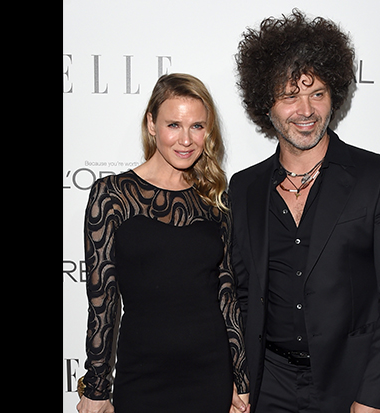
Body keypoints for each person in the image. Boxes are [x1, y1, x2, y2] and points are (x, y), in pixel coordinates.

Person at [229, 9, 380, 413]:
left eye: (317, 93)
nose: (306, 110)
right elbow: (242, 296)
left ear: (334, 94)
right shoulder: (244, 188)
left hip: (354, 386)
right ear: (266, 103)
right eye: (290, 96)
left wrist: (373, 398)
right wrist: (238, 379)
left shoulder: (379, 177)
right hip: (268, 386)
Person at [76, 73, 250, 413]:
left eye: (197, 126)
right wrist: (96, 388)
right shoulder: (112, 195)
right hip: (142, 373)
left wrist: (240, 379)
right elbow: (102, 301)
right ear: (151, 124)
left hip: (210, 371)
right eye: (174, 125)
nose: (186, 139)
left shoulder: (214, 199)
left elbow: (226, 293)